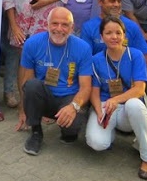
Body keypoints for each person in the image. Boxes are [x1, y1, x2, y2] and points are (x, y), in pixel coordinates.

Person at [16, 8, 93, 155]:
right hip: (45, 95)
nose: (59, 29)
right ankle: (36, 132)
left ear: (72, 27)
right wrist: (23, 109)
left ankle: (68, 129)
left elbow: (85, 87)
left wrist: (73, 107)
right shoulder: (32, 44)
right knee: (32, 85)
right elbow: (26, 80)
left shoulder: (83, 48)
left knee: (71, 132)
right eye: (55, 23)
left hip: (69, 97)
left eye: (65, 25)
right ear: (47, 24)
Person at [85, 17, 147, 179]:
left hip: (127, 108)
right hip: (105, 106)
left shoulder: (135, 55)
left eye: (118, 32)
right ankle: (110, 132)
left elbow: (139, 89)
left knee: (134, 105)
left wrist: (116, 100)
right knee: (97, 143)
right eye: (108, 33)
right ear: (102, 37)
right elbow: (94, 91)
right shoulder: (95, 60)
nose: (114, 36)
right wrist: (98, 110)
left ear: (124, 36)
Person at [80, 0, 147, 58]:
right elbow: (85, 59)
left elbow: (143, 57)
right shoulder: (88, 28)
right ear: (100, 2)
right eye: (112, 1)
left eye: (119, 1)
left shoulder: (131, 26)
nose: (116, 5)